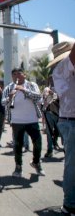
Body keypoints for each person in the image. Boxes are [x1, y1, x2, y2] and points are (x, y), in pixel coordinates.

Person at [2, 68, 45, 177]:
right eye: (14, 74)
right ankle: (18, 167)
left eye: (19, 74)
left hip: (32, 120)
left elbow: (39, 98)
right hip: (17, 121)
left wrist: (24, 90)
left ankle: (36, 162)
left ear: (24, 75)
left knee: (38, 143)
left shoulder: (31, 85)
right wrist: (9, 98)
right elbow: (3, 102)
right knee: (17, 145)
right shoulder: (8, 88)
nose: (17, 76)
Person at [49, 41, 75, 215]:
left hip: (69, 119)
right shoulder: (64, 66)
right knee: (72, 165)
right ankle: (70, 203)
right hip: (71, 120)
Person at [41, 75, 61, 158]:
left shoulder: (60, 88)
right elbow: (43, 101)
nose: (51, 81)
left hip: (59, 114)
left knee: (61, 132)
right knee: (49, 133)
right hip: (49, 113)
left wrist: (54, 94)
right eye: (50, 79)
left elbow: (62, 98)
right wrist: (46, 96)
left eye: (53, 79)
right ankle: (50, 150)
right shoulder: (46, 89)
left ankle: (65, 149)